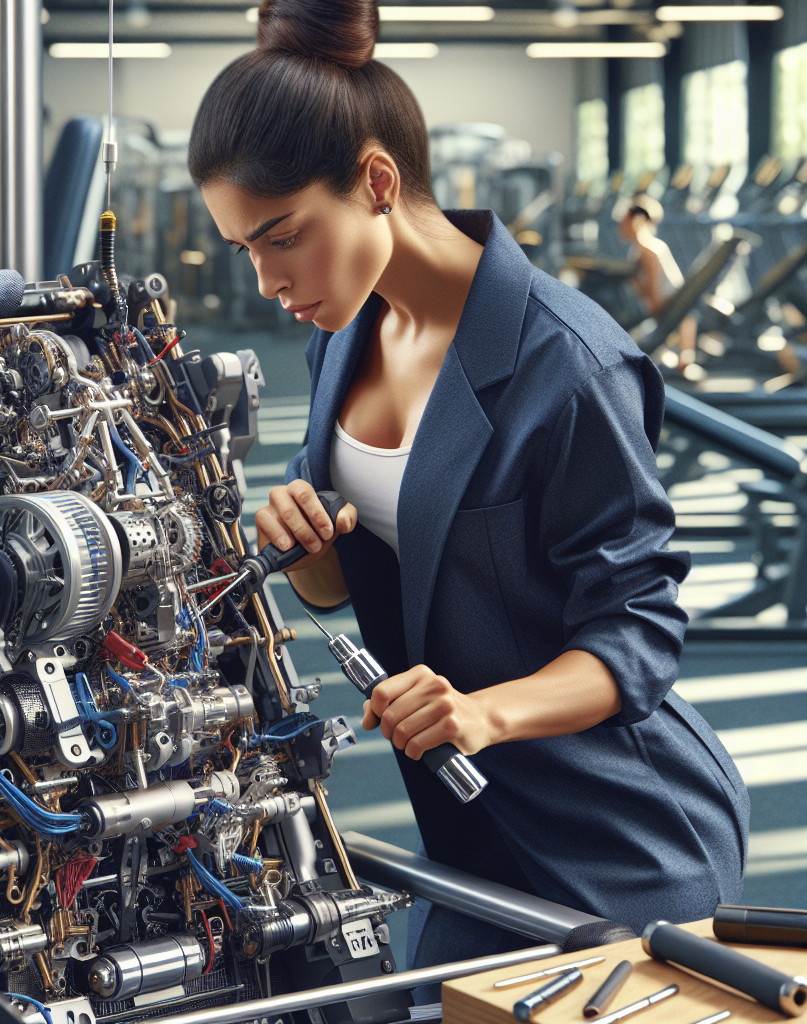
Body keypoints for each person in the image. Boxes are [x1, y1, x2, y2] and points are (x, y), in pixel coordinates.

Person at [188, 0, 749, 1002]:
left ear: (376, 181)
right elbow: (364, 572)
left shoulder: (566, 365)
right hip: (468, 822)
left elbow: (640, 633)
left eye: (282, 236)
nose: (270, 280)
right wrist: (307, 541)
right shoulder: (340, 334)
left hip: (613, 829)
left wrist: (481, 711)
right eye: (245, 251)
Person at [618, 193, 698, 369]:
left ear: (636, 221)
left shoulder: (650, 251)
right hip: (662, 304)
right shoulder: (640, 250)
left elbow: (654, 291)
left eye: (624, 221)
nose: (620, 226)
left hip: (665, 305)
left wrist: (653, 319)